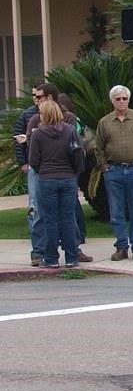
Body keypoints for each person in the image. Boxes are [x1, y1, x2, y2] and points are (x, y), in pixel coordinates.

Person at [95, 85, 133, 262]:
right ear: (112, 101)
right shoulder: (104, 122)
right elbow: (99, 148)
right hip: (114, 172)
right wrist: (105, 167)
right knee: (117, 212)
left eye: (124, 98)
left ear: (128, 99)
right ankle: (121, 246)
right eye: (118, 99)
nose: (121, 102)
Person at [27, 100, 81, 268]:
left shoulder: (38, 134)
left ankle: (51, 258)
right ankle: (72, 257)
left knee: (50, 219)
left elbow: (33, 160)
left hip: (47, 178)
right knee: (68, 218)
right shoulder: (70, 130)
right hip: (68, 178)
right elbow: (78, 153)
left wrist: (42, 170)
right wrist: (73, 172)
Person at [13, 84, 47, 266]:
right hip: (35, 168)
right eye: (34, 95)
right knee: (35, 209)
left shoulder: (61, 116)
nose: (36, 98)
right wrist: (23, 162)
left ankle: (71, 249)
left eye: (39, 96)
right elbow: (18, 139)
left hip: (56, 171)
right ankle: (38, 251)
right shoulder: (28, 116)